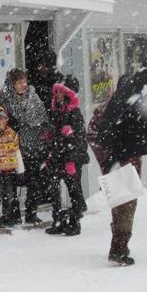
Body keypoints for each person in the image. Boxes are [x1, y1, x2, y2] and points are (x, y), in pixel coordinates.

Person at [87, 76, 142, 265]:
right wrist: (110, 157)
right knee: (126, 208)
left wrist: (106, 159)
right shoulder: (124, 108)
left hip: (118, 166)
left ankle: (118, 244)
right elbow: (93, 135)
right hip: (122, 167)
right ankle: (119, 248)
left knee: (120, 208)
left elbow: (92, 135)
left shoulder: (109, 108)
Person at [0, 68, 49, 224]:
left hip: (32, 145)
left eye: (24, 81)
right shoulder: (4, 100)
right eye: (18, 82)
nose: (23, 85)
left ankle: (32, 212)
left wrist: (37, 134)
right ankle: (13, 212)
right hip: (11, 147)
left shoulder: (34, 97)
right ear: (12, 84)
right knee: (10, 182)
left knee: (33, 180)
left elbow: (42, 118)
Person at [44, 76, 89, 236]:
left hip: (69, 157)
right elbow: (53, 132)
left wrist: (71, 156)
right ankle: (58, 220)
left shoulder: (74, 113)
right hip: (57, 155)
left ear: (66, 93)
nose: (56, 95)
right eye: (55, 92)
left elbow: (79, 138)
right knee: (55, 190)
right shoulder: (56, 112)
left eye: (59, 92)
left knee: (73, 189)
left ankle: (74, 221)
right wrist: (50, 140)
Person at [28, 48, 63, 115]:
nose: (39, 68)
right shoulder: (37, 77)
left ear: (47, 65)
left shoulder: (58, 80)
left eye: (41, 65)